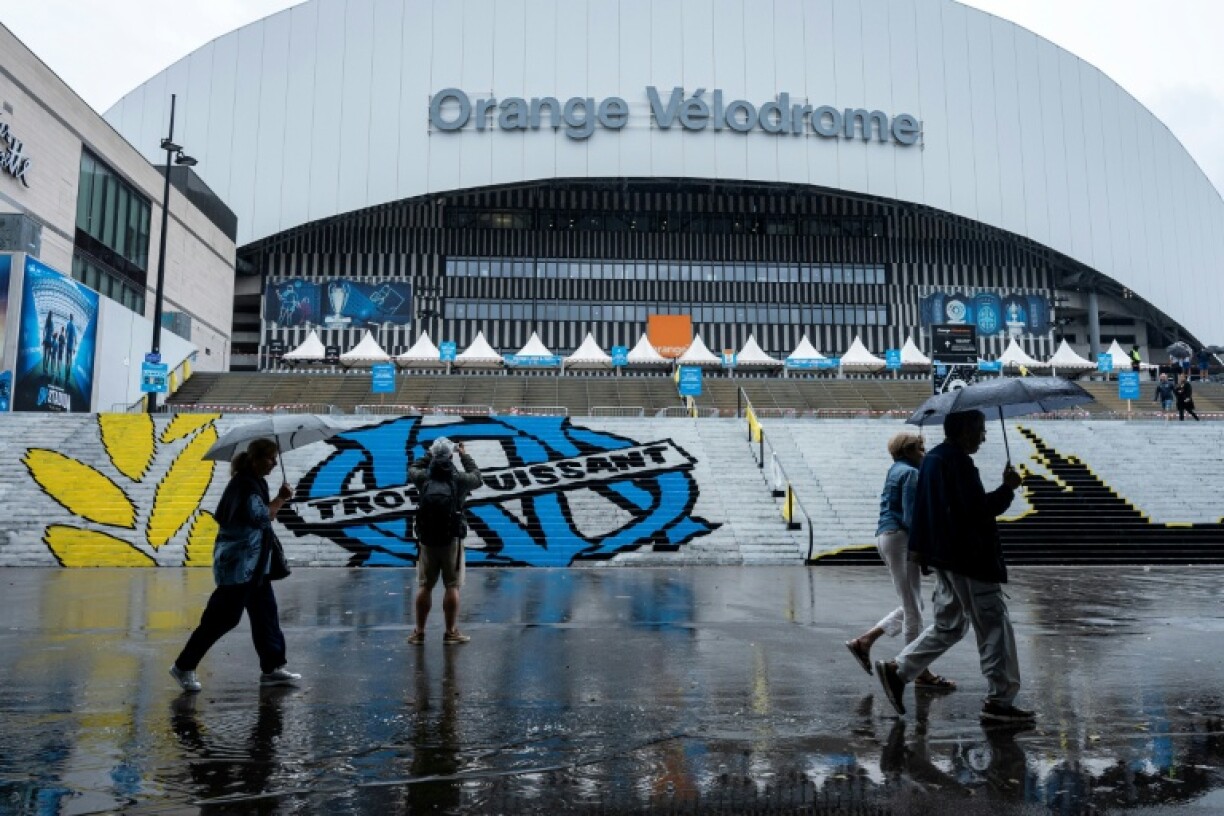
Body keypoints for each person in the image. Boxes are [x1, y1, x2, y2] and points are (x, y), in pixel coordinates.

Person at [875, 409, 1032, 723]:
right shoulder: (958, 463)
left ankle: (899, 670)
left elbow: (923, 511)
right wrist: (1008, 488)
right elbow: (977, 511)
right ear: (965, 431)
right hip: (970, 559)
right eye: (980, 430)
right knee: (993, 627)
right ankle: (1000, 701)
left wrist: (922, 553)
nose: (984, 437)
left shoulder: (932, 460)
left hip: (946, 559)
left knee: (949, 626)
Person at [170, 438, 299, 692]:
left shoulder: (255, 482)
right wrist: (281, 499)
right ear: (255, 459)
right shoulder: (244, 485)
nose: (274, 463)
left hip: (255, 566)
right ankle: (184, 666)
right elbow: (261, 517)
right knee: (222, 618)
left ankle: (272, 668)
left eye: (275, 458)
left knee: (266, 616)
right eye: (270, 458)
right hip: (240, 567)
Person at [845, 433, 955, 691]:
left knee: (912, 604)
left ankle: (865, 641)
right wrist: (926, 547)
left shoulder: (896, 470)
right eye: (921, 449)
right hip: (901, 538)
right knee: (913, 609)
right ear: (908, 451)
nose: (924, 453)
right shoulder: (911, 474)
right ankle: (916, 671)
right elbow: (911, 516)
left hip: (889, 536)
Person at [408, 437, 481, 645]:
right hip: (452, 539)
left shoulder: (423, 478)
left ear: (433, 454)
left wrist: (428, 455)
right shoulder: (459, 480)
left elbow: (412, 469)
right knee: (452, 586)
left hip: (427, 539)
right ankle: (450, 633)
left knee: (425, 586)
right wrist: (464, 455)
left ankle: (419, 633)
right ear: (451, 456)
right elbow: (477, 477)